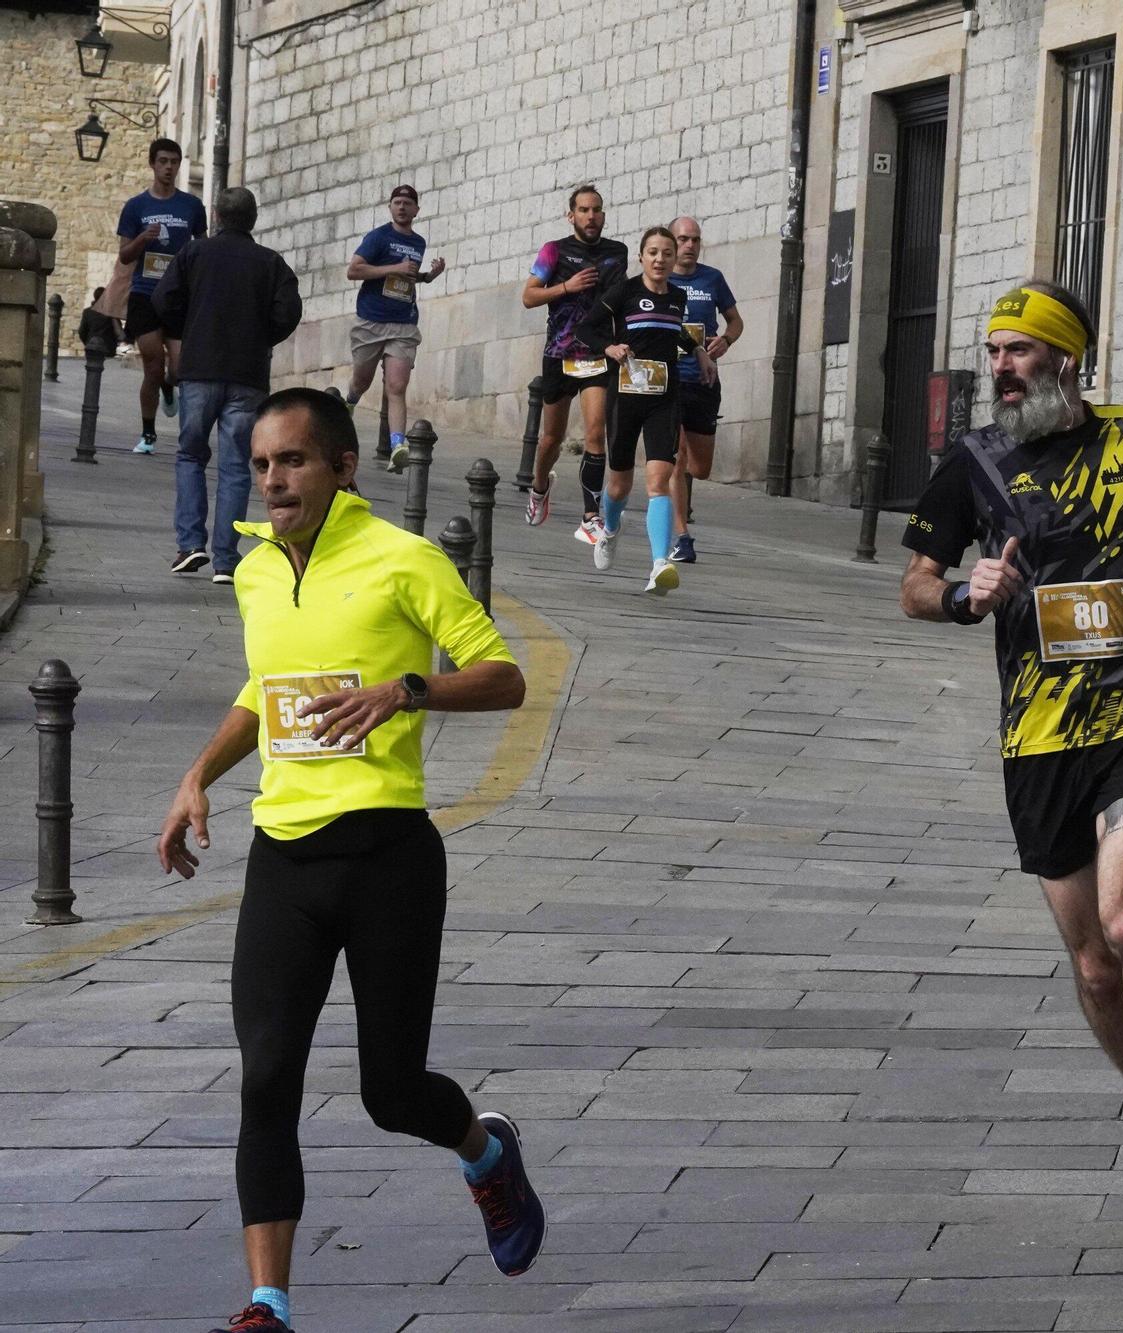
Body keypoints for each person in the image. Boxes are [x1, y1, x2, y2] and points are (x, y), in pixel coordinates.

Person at [155, 389, 544, 1333]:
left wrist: (407, 689)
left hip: (388, 860)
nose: (273, 478)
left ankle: (486, 1154)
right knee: (265, 1077)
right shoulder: (252, 572)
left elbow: (505, 676)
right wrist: (198, 772)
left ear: (341, 467)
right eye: (261, 463)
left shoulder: (404, 562)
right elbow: (266, 686)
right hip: (282, 858)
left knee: (391, 1092)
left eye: (292, 460)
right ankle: (267, 1303)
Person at [898, 282, 1123, 1221]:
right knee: (1091, 963)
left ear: (1065, 358)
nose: (998, 367)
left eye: (1018, 350)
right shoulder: (975, 462)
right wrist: (970, 591)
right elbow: (914, 587)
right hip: (1037, 737)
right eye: (993, 350)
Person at [152, 187, 302, 583]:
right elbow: (288, 312)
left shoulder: (194, 253)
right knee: (236, 463)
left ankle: (190, 544)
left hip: (200, 366)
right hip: (248, 373)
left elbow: (164, 299)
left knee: (191, 454)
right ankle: (225, 558)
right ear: (252, 219)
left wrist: (191, 326)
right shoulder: (271, 262)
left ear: (216, 214)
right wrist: (261, 337)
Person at [574, 224, 715, 592]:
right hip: (625, 397)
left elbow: (677, 331)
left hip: (665, 400)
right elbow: (585, 330)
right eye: (653, 252)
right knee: (619, 485)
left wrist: (699, 351)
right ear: (641, 257)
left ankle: (659, 564)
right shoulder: (624, 291)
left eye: (667, 253)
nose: (660, 259)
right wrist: (610, 348)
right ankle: (611, 526)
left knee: (658, 482)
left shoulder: (677, 298)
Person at [521, 186, 627, 547]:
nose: (591, 216)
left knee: (596, 434)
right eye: (584, 210)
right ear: (572, 215)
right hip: (560, 354)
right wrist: (566, 286)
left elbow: (619, 303)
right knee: (552, 439)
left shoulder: (618, 253)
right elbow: (529, 296)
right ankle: (539, 487)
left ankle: (589, 516)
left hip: (597, 353)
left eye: (597, 210)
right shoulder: (554, 250)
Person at [341, 184, 444, 469]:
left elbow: (408, 278)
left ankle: (399, 444)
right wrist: (393, 269)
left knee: (397, 385)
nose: (402, 207)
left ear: (416, 210)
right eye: (397, 202)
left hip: (403, 323)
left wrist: (427, 277)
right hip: (371, 321)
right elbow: (354, 270)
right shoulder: (378, 238)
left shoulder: (418, 242)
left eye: (407, 203)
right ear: (390, 207)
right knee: (362, 380)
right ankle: (350, 401)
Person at [116, 137, 206, 454]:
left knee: (180, 370)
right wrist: (143, 238)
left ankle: (171, 386)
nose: (169, 167)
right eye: (163, 161)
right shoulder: (136, 207)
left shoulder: (192, 206)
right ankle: (149, 434)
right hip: (145, 292)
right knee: (152, 366)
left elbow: (202, 245)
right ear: (152, 164)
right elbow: (125, 255)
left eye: (174, 162)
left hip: (179, 295)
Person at [662, 215, 743, 564]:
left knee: (701, 466)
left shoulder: (712, 279)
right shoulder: (659, 279)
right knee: (675, 458)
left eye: (695, 240)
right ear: (672, 241)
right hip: (669, 378)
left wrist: (725, 340)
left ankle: (676, 507)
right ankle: (682, 536)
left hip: (703, 379)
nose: (690, 246)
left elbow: (736, 321)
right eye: (683, 239)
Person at [77, 286, 119, 352]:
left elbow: (82, 331)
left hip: (92, 347)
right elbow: (118, 331)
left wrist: (88, 343)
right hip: (108, 348)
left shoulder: (87, 312)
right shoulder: (111, 312)